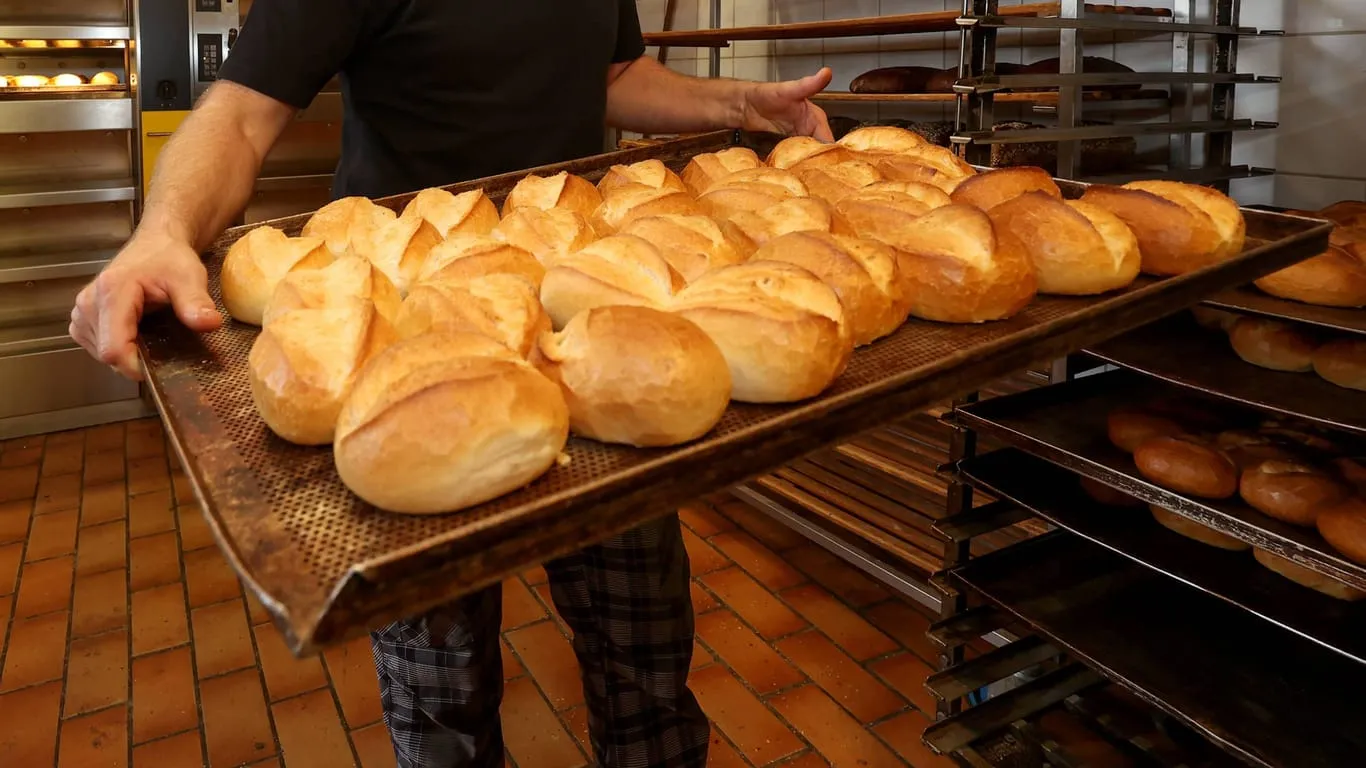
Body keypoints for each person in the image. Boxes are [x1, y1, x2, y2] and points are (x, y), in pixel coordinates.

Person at [69, 2, 832, 767]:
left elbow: (614, 74)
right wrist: (164, 229)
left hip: (590, 320)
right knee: (442, 700)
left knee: (646, 652)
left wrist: (737, 103)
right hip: (403, 351)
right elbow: (238, 114)